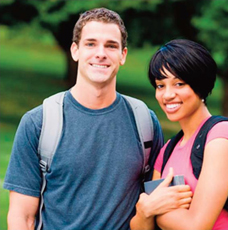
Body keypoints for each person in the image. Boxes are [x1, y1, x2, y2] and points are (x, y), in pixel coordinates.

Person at [3, 8, 192, 230]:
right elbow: (21, 217)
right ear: (75, 51)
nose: (100, 53)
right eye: (90, 44)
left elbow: (155, 205)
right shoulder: (39, 122)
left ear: (123, 55)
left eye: (111, 45)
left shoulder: (144, 122)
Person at [130, 39, 228, 230]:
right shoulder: (167, 150)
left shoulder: (220, 136)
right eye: (160, 85)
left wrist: (153, 210)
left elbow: (196, 226)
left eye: (179, 84)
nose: (167, 95)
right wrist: (145, 211)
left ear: (200, 85)